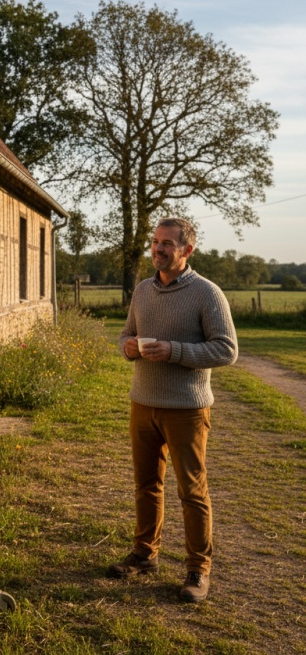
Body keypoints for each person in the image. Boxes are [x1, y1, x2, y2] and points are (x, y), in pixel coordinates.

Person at [108, 218, 237, 603]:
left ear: (187, 251)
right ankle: (145, 555)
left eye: (167, 243)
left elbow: (227, 350)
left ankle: (199, 569)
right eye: (155, 242)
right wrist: (128, 347)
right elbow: (124, 334)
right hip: (142, 403)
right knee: (146, 485)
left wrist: (174, 351)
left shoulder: (207, 294)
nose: (158, 249)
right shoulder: (143, 290)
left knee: (191, 490)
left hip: (187, 409)